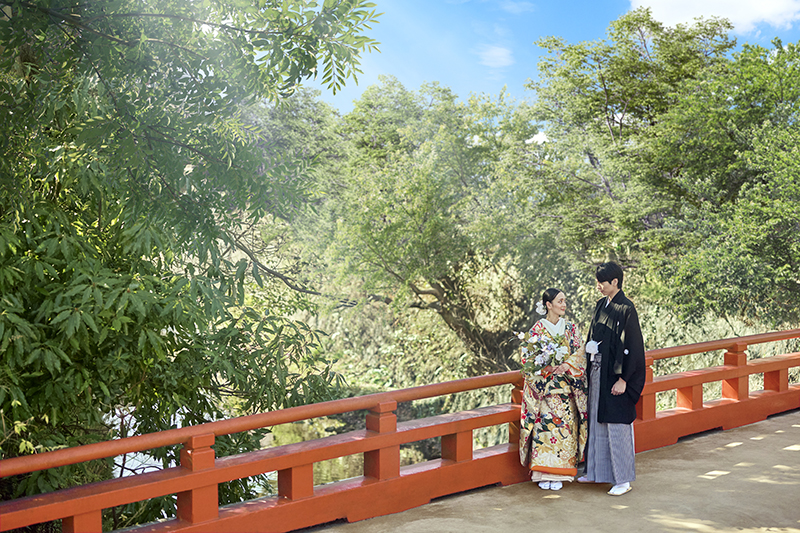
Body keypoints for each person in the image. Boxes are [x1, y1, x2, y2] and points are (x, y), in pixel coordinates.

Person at [580, 261, 646, 496]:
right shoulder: (601, 305)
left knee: (617, 424)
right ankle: (596, 472)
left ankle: (623, 479)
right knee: (597, 421)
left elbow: (633, 347)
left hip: (616, 375)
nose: (598, 286)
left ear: (615, 282)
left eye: (602, 282)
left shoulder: (626, 308)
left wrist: (624, 379)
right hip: (598, 370)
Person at [518, 288, 588, 491]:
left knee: (564, 432)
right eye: (560, 301)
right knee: (544, 431)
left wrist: (566, 366)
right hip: (545, 391)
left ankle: (561, 474)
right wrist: (545, 367)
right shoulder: (537, 329)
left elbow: (580, 352)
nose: (564, 304)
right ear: (548, 305)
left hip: (566, 391)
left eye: (565, 301)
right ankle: (542, 473)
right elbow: (527, 357)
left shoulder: (571, 328)